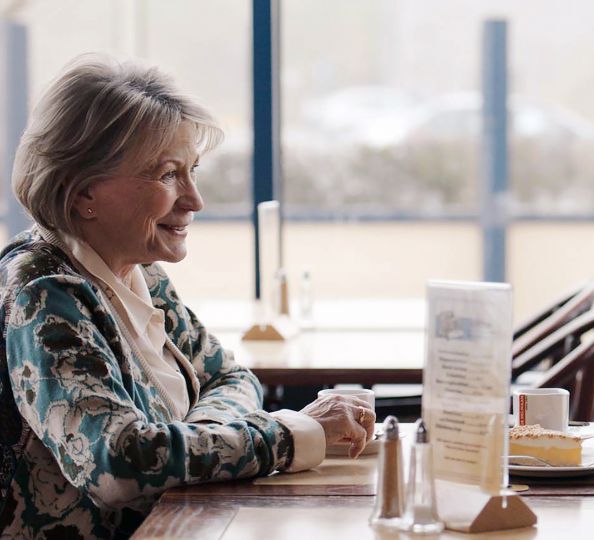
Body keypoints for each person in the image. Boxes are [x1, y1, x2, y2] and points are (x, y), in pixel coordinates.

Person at [0, 54, 376, 538]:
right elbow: (116, 463)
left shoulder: (139, 272)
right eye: (167, 175)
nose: (195, 199)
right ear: (81, 193)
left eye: (192, 170)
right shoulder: (44, 292)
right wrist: (292, 435)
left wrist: (191, 441)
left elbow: (230, 376)